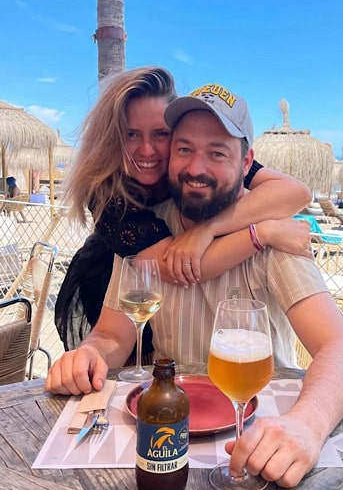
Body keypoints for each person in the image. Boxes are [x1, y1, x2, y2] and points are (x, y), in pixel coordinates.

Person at [46, 83, 343, 489]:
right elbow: (113, 334)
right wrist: (89, 353)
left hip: (259, 438)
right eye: (184, 149)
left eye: (216, 152)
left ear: (246, 161)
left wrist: (307, 424)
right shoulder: (144, 227)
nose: (197, 167)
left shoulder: (274, 235)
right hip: (162, 434)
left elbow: (341, 349)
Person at [54, 67, 312, 359]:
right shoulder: (108, 197)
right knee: (136, 359)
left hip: (178, 279)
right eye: (132, 134)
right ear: (114, 139)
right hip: (123, 270)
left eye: (161, 134)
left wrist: (207, 229)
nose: (147, 149)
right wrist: (264, 232)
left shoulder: (196, 158)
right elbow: (181, 266)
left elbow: (296, 192)